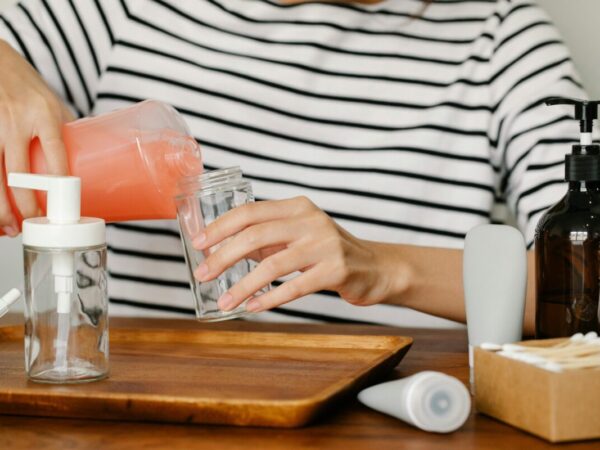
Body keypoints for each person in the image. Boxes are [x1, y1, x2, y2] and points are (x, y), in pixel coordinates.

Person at [0, 0, 589, 332]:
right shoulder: (122, 13)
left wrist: (382, 269)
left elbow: (590, 287)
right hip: (129, 415)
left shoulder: (498, 43)